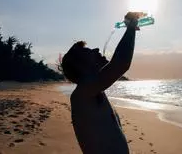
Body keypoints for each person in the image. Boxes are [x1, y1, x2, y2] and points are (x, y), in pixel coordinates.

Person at [60, 12, 142, 154]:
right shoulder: (81, 95)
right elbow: (120, 64)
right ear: (80, 65)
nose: (96, 49)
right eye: (88, 51)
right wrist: (130, 27)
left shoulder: (95, 92)